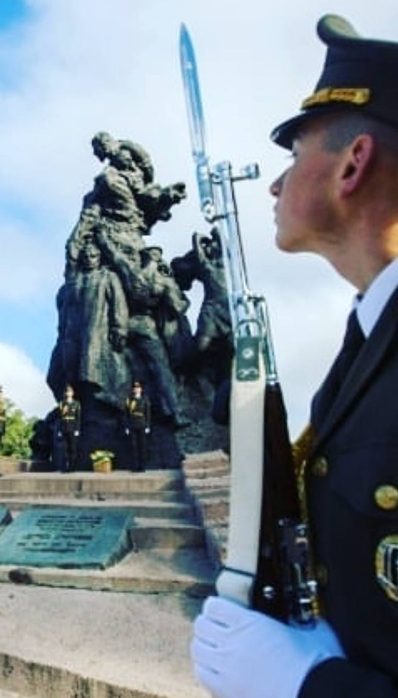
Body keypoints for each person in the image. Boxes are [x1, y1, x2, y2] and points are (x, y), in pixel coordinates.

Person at [192, 14, 398, 698]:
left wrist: (311, 683)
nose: (276, 186)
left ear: (352, 163)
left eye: (295, 155)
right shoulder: (365, 344)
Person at [124, 381, 151, 472]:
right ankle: (135, 466)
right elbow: (126, 414)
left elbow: (147, 413)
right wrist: (126, 426)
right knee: (133, 446)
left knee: (142, 446)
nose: (137, 390)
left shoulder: (145, 400)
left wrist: (147, 425)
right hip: (132, 424)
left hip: (142, 423)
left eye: (138, 388)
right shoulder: (130, 400)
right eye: (135, 388)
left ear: (141, 389)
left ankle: (142, 466)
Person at [55, 385, 81, 473]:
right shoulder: (62, 403)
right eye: (67, 392)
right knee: (65, 448)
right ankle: (66, 466)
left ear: (72, 393)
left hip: (72, 427)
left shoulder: (76, 404)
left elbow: (78, 418)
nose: (68, 393)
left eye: (70, 392)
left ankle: (72, 466)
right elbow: (59, 418)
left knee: (72, 448)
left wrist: (77, 429)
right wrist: (59, 430)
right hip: (64, 427)